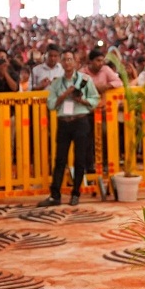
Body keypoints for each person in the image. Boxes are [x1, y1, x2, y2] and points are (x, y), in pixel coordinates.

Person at [37, 50, 100, 207]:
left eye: (70, 59)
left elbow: (95, 100)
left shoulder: (85, 80)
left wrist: (82, 99)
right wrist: (66, 94)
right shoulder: (56, 83)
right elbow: (51, 104)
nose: (67, 63)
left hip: (80, 121)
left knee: (80, 159)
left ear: (76, 62)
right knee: (60, 159)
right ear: (61, 63)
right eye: (64, 60)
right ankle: (55, 195)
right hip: (64, 122)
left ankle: (76, 193)